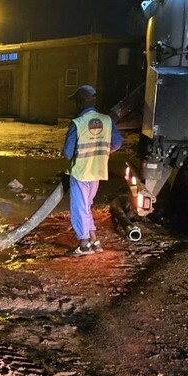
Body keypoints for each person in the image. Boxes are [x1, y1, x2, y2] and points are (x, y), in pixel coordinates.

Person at [62, 85, 123, 256]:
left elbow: (67, 153)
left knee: (79, 207)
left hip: (81, 172)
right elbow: (117, 143)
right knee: (87, 205)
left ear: (80, 102)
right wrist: (101, 153)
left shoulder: (78, 123)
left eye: (76, 102)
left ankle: (83, 244)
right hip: (97, 170)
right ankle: (94, 240)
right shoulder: (106, 120)